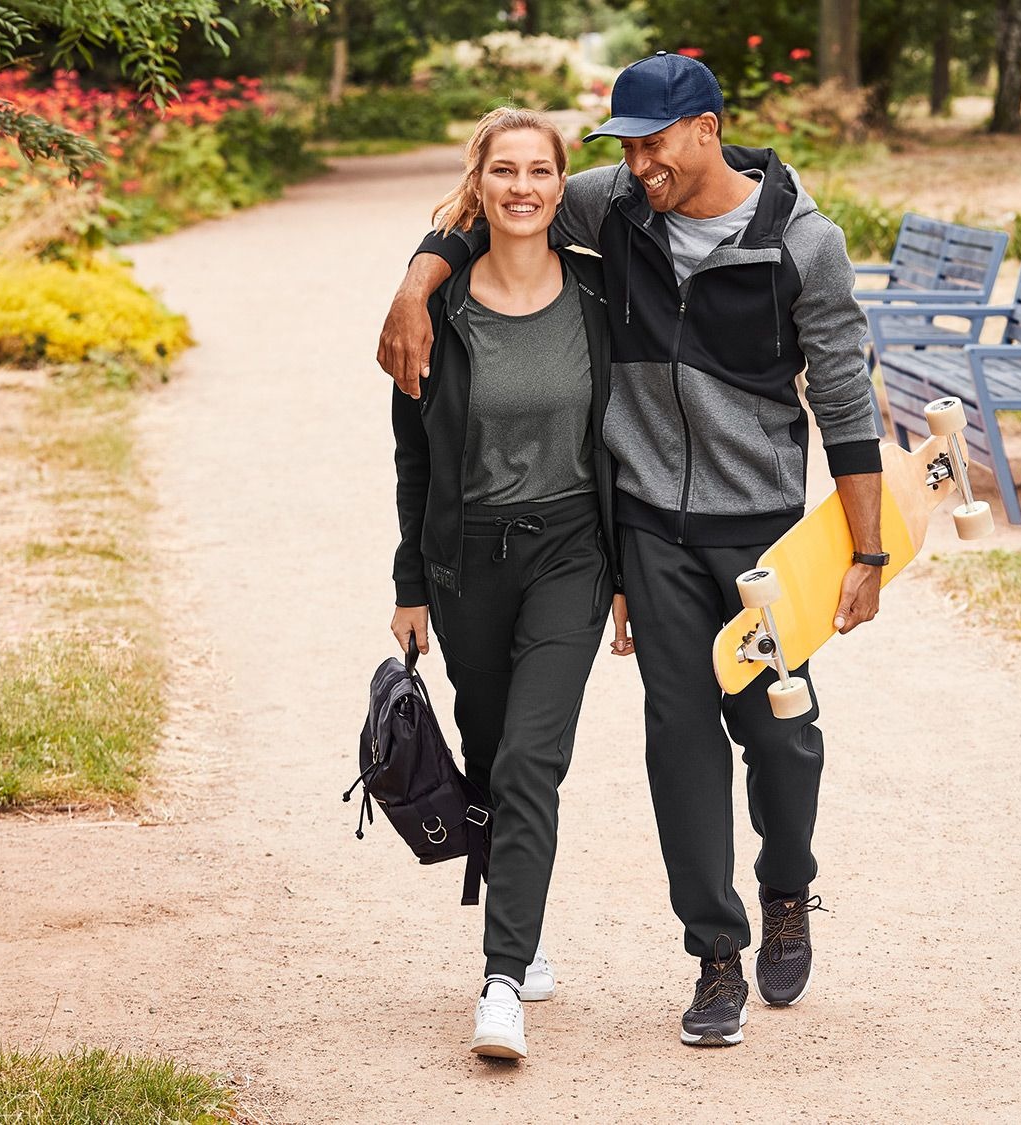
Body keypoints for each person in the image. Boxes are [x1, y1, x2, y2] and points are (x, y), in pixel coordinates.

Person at [379, 54, 886, 1048]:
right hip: (651, 525)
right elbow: (497, 205)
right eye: (626, 146)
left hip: (759, 532)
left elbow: (844, 398)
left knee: (779, 731)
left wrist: (866, 551)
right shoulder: (617, 203)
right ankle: (716, 955)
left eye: (654, 143)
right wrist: (416, 282)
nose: (639, 163)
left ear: (706, 130)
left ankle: (788, 884)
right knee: (680, 735)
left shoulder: (803, 244)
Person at [389, 106, 632, 1060]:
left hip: (572, 551)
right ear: (478, 184)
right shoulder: (435, 312)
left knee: (532, 757)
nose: (523, 187)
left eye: (540, 171)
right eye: (505, 171)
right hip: (468, 563)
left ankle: (501, 980)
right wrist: (411, 583)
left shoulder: (600, 295)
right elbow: (414, 458)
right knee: (490, 753)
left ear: (562, 186)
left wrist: (626, 573)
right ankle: (520, 925)